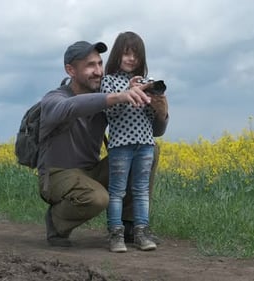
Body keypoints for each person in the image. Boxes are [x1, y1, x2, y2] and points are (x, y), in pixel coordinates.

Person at [37, 40, 169, 247]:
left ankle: (129, 226)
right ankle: (56, 221)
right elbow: (71, 108)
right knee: (97, 198)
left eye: (100, 64)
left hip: (92, 171)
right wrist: (117, 96)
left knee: (148, 150)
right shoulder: (55, 97)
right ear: (70, 70)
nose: (98, 71)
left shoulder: (105, 97)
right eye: (90, 65)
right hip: (58, 174)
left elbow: (156, 132)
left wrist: (160, 112)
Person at [101, 31, 163, 252]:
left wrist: (154, 97)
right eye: (126, 54)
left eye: (136, 55)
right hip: (120, 145)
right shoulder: (108, 81)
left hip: (145, 143)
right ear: (117, 55)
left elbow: (152, 118)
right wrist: (128, 90)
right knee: (117, 191)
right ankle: (115, 234)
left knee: (141, 190)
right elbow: (112, 112)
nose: (131, 59)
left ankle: (141, 233)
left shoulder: (145, 82)